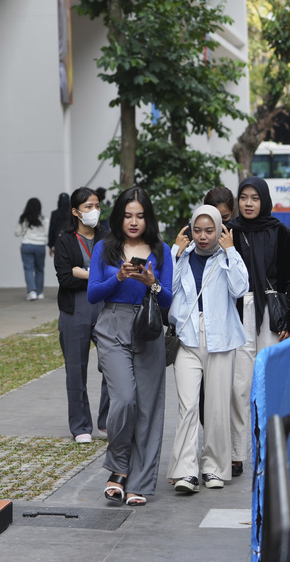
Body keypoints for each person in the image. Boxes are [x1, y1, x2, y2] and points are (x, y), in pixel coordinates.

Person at [88, 187, 173, 506]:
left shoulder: (161, 250)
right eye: (127, 215)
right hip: (112, 326)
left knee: (149, 408)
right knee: (123, 400)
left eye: (139, 215)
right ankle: (119, 468)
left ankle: (140, 482)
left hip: (148, 327)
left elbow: (169, 301)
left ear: (147, 217)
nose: (133, 222)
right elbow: (93, 294)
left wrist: (153, 284)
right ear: (119, 217)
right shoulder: (104, 249)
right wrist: (119, 278)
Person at [167, 205, 248, 492]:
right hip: (187, 338)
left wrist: (231, 251)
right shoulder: (183, 256)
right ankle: (186, 471)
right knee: (187, 406)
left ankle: (214, 468)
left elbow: (240, 289)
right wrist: (174, 253)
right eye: (197, 230)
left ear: (219, 230)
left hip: (221, 339)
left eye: (209, 230)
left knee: (215, 407)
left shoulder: (226, 257)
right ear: (190, 230)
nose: (203, 236)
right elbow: (168, 290)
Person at [229, 177, 290, 479]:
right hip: (240, 313)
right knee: (239, 387)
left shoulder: (280, 232)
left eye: (254, 197)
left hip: (270, 315)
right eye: (243, 197)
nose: (249, 203)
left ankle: (270, 449)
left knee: (270, 386)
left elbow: (289, 279)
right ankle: (238, 454)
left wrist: (288, 319)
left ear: (263, 200)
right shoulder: (232, 234)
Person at [54, 187, 110, 443]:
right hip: (74, 310)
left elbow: (114, 271)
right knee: (75, 370)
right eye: (88, 207)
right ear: (76, 212)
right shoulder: (65, 240)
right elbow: (65, 278)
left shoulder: (108, 237)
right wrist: (94, 275)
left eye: (97, 205)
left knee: (113, 365)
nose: (94, 211)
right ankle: (80, 426)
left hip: (105, 308)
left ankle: (107, 422)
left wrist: (83, 272)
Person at [16, 198, 48, 301]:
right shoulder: (44, 219)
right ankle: (40, 292)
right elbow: (46, 233)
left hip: (27, 245)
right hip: (40, 246)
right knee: (40, 269)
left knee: (28, 269)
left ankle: (32, 291)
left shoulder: (23, 219)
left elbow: (17, 232)